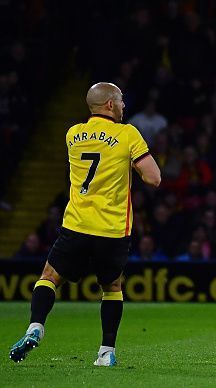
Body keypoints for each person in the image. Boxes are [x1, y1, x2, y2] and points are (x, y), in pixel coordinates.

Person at [9, 82, 161, 366]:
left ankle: (35, 327)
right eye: (121, 101)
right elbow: (154, 178)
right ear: (110, 105)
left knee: (50, 277)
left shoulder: (73, 134)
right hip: (113, 229)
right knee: (112, 287)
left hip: (77, 226)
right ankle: (106, 352)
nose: (125, 106)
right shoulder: (128, 134)